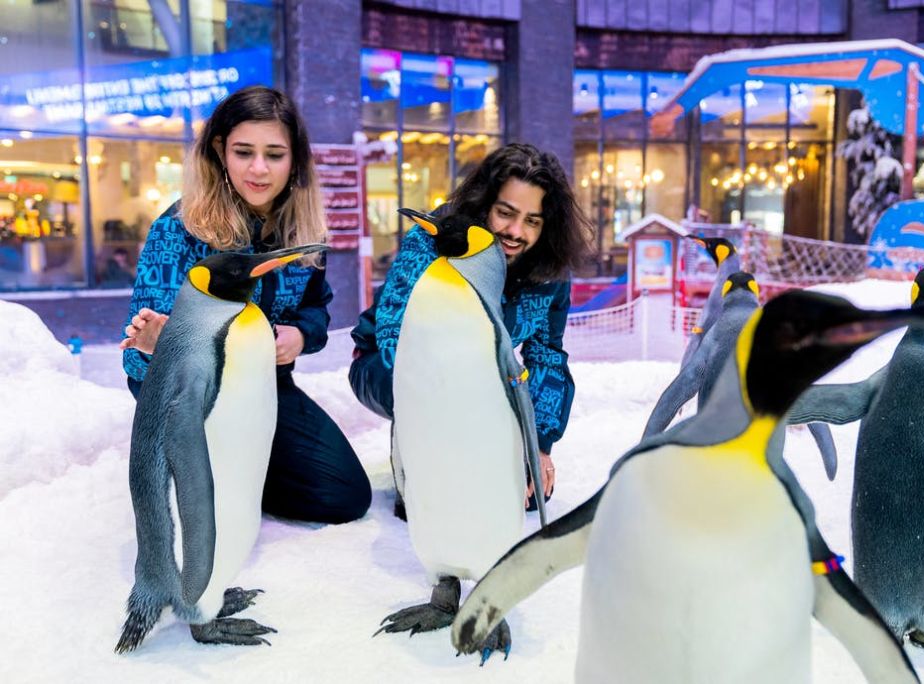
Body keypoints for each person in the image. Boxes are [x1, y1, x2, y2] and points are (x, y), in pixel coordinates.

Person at [120, 85, 371, 525]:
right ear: (219, 150)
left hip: (265, 386)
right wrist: (160, 343)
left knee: (344, 495)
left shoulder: (302, 229)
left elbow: (316, 307)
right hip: (192, 396)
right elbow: (141, 366)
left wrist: (302, 334)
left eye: (274, 154)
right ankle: (206, 469)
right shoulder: (178, 229)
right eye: (243, 152)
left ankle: (234, 474)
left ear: (294, 159)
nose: (259, 169)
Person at [349, 142, 592, 515]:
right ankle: (411, 464)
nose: (515, 231)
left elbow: (547, 353)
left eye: (532, 220)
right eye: (505, 213)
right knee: (435, 497)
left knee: (526, 494)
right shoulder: (441, 237)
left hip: (479, 375)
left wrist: (538, 443)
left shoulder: (549, 271)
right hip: (391, 366)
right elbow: (393, 330)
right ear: (484, 204)